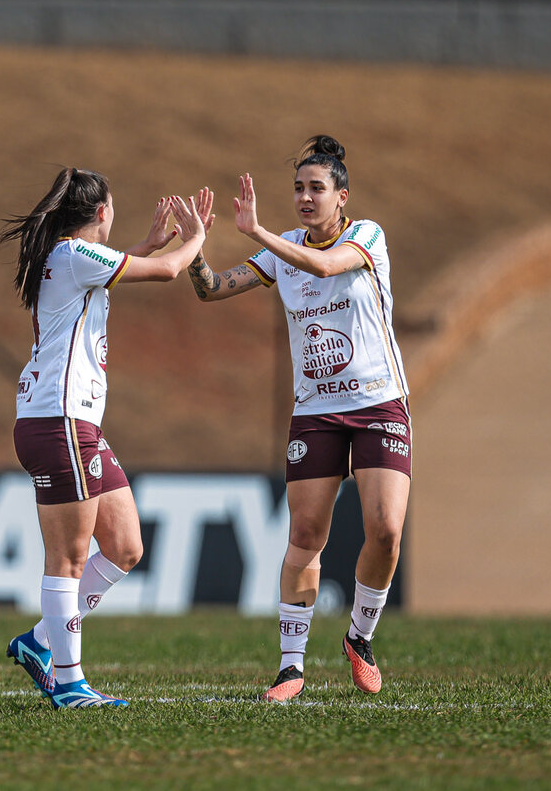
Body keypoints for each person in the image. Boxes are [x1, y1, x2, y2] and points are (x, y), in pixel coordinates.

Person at [187, 135, 410, 701]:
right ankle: (291, 668)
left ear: (343, 197)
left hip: (378, 402)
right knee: (306, 535)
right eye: (298, 188)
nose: (305, 198)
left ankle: (359, 638)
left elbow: (325, 263)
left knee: (384, 531)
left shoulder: (366, 237)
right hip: (316, 412)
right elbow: (213, 290)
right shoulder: (280, 247)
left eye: (317, 188)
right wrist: (193, 250)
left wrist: (257, 233)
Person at [0, 168, 208, 708]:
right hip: (58, 421)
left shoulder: (73, 259)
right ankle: (70, 685)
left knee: (125, 547)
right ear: (99, 213)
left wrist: (149, 243)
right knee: (67, 557)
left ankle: (39, 643)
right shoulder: (73, 255)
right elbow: (164, 273)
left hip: (76, 424)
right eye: (112, 207)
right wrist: (196, 242)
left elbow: (129, 265)